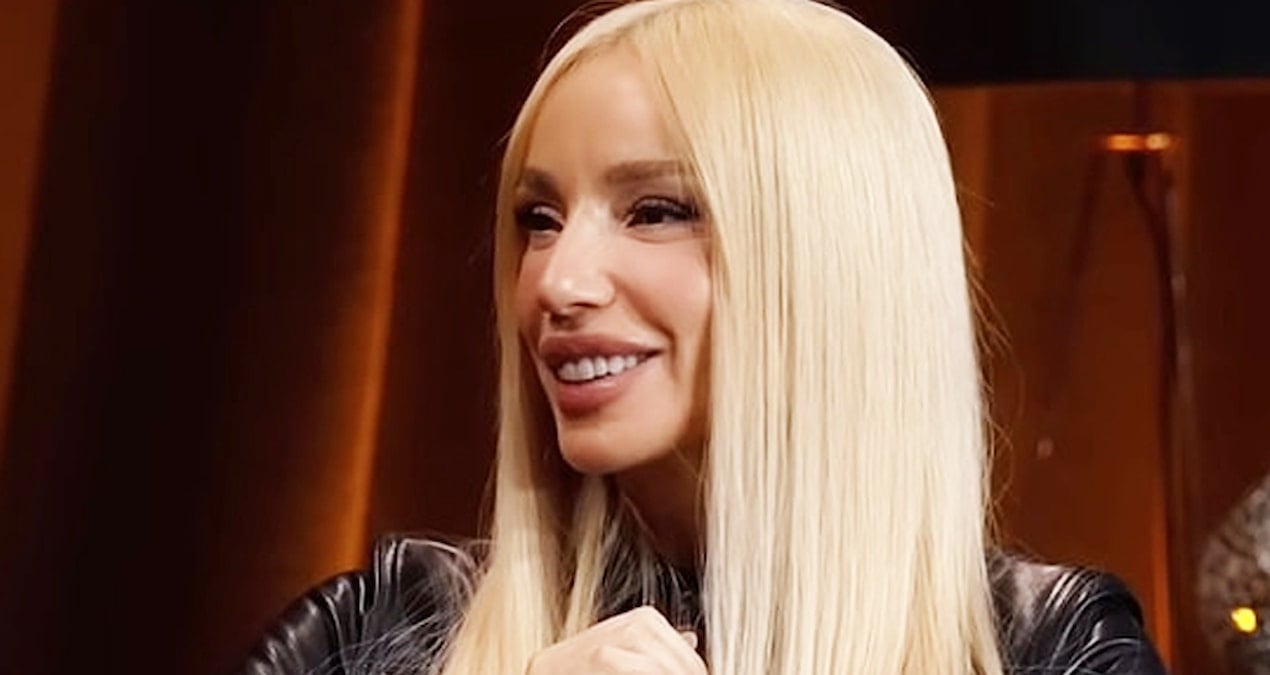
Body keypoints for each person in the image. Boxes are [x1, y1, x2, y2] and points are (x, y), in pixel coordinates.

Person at [240, 0, 1168, 673]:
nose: (556, 280)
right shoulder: (367, 636)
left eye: (655, 210)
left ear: (829, 258)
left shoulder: (1054, 649)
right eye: (538, 218)